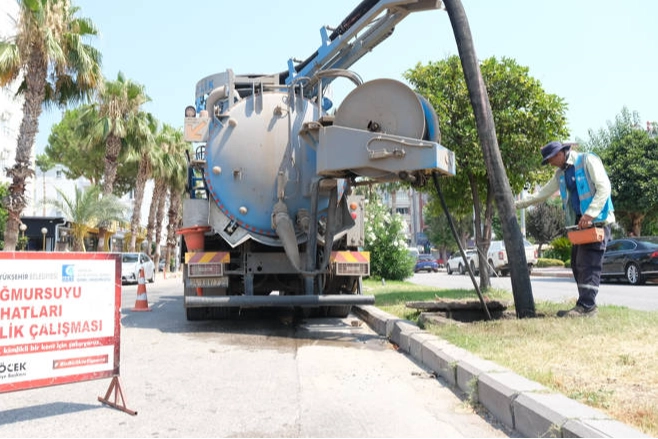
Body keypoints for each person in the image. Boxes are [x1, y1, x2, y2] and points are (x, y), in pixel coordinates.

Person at [515, 141, 614, 317]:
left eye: (550, 159)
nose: (550, 163)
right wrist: (517, 204)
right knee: (577, 264)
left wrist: (590, 214)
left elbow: (604, 187)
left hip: (597, 222)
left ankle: (587, 307)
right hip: (580, 225)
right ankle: (585, 305)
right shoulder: (561, 174)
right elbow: (542, 194)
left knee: (588, 264)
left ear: (559, 153)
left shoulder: (587, 160)